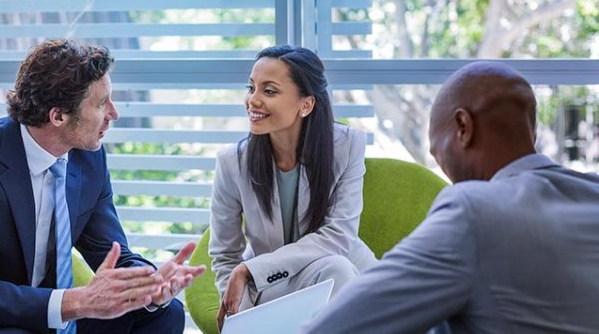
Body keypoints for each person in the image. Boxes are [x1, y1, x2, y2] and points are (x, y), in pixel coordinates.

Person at [0, 39, 205, 334]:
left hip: (39, 310)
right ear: (58, 116)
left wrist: (150, 286)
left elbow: (114, 255)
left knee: (165, 314)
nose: (114, 114)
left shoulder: (88, 159)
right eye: (101, 104)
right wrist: (77, 302)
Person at [302, 61, 599, 333]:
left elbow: (336, 328)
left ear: (463, 127)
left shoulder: (474, 210)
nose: (443, 168)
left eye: (437, 149)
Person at [209, 45, 378, 331]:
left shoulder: (347, 147)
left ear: (306, 104)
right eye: (251, 88)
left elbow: (337, 237)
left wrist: (251, 269)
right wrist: (241, 315)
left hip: (343, 278)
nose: (253, 100)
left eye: (269, 91)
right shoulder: (232, 163)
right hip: (274, 288)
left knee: (336, 269)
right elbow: (225, 254)